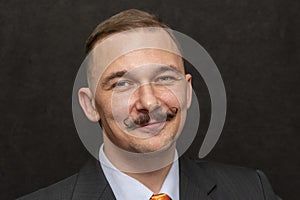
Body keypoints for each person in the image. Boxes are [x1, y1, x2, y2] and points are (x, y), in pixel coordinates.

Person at [18, 9, 280, 200]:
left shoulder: (253, 191)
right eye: (122, 84)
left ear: (188, 91)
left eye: (164, 78)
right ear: (90, 105)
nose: (149, 101)